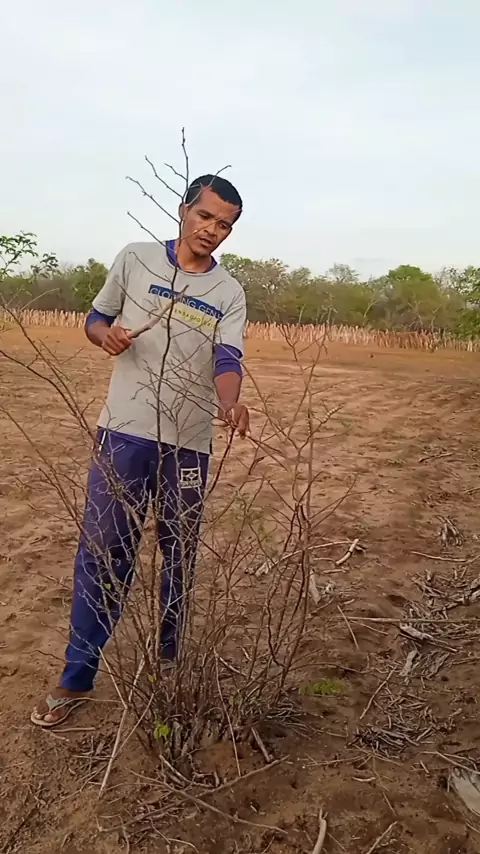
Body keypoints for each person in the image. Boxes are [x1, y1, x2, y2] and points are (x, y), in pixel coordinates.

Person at [31, 174, 249, 727]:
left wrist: (230, 403)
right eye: (206, 216)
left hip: (189, 445)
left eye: (225, 225)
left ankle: (169, 667)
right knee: (105, 553)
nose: (212, 230)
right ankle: (76, 678)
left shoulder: (228, 292)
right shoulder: (136, 259)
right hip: (124, 435)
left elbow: (227, 359)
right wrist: (104, 336)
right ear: (184, 210)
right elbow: (96, 319)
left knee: (179, 556)